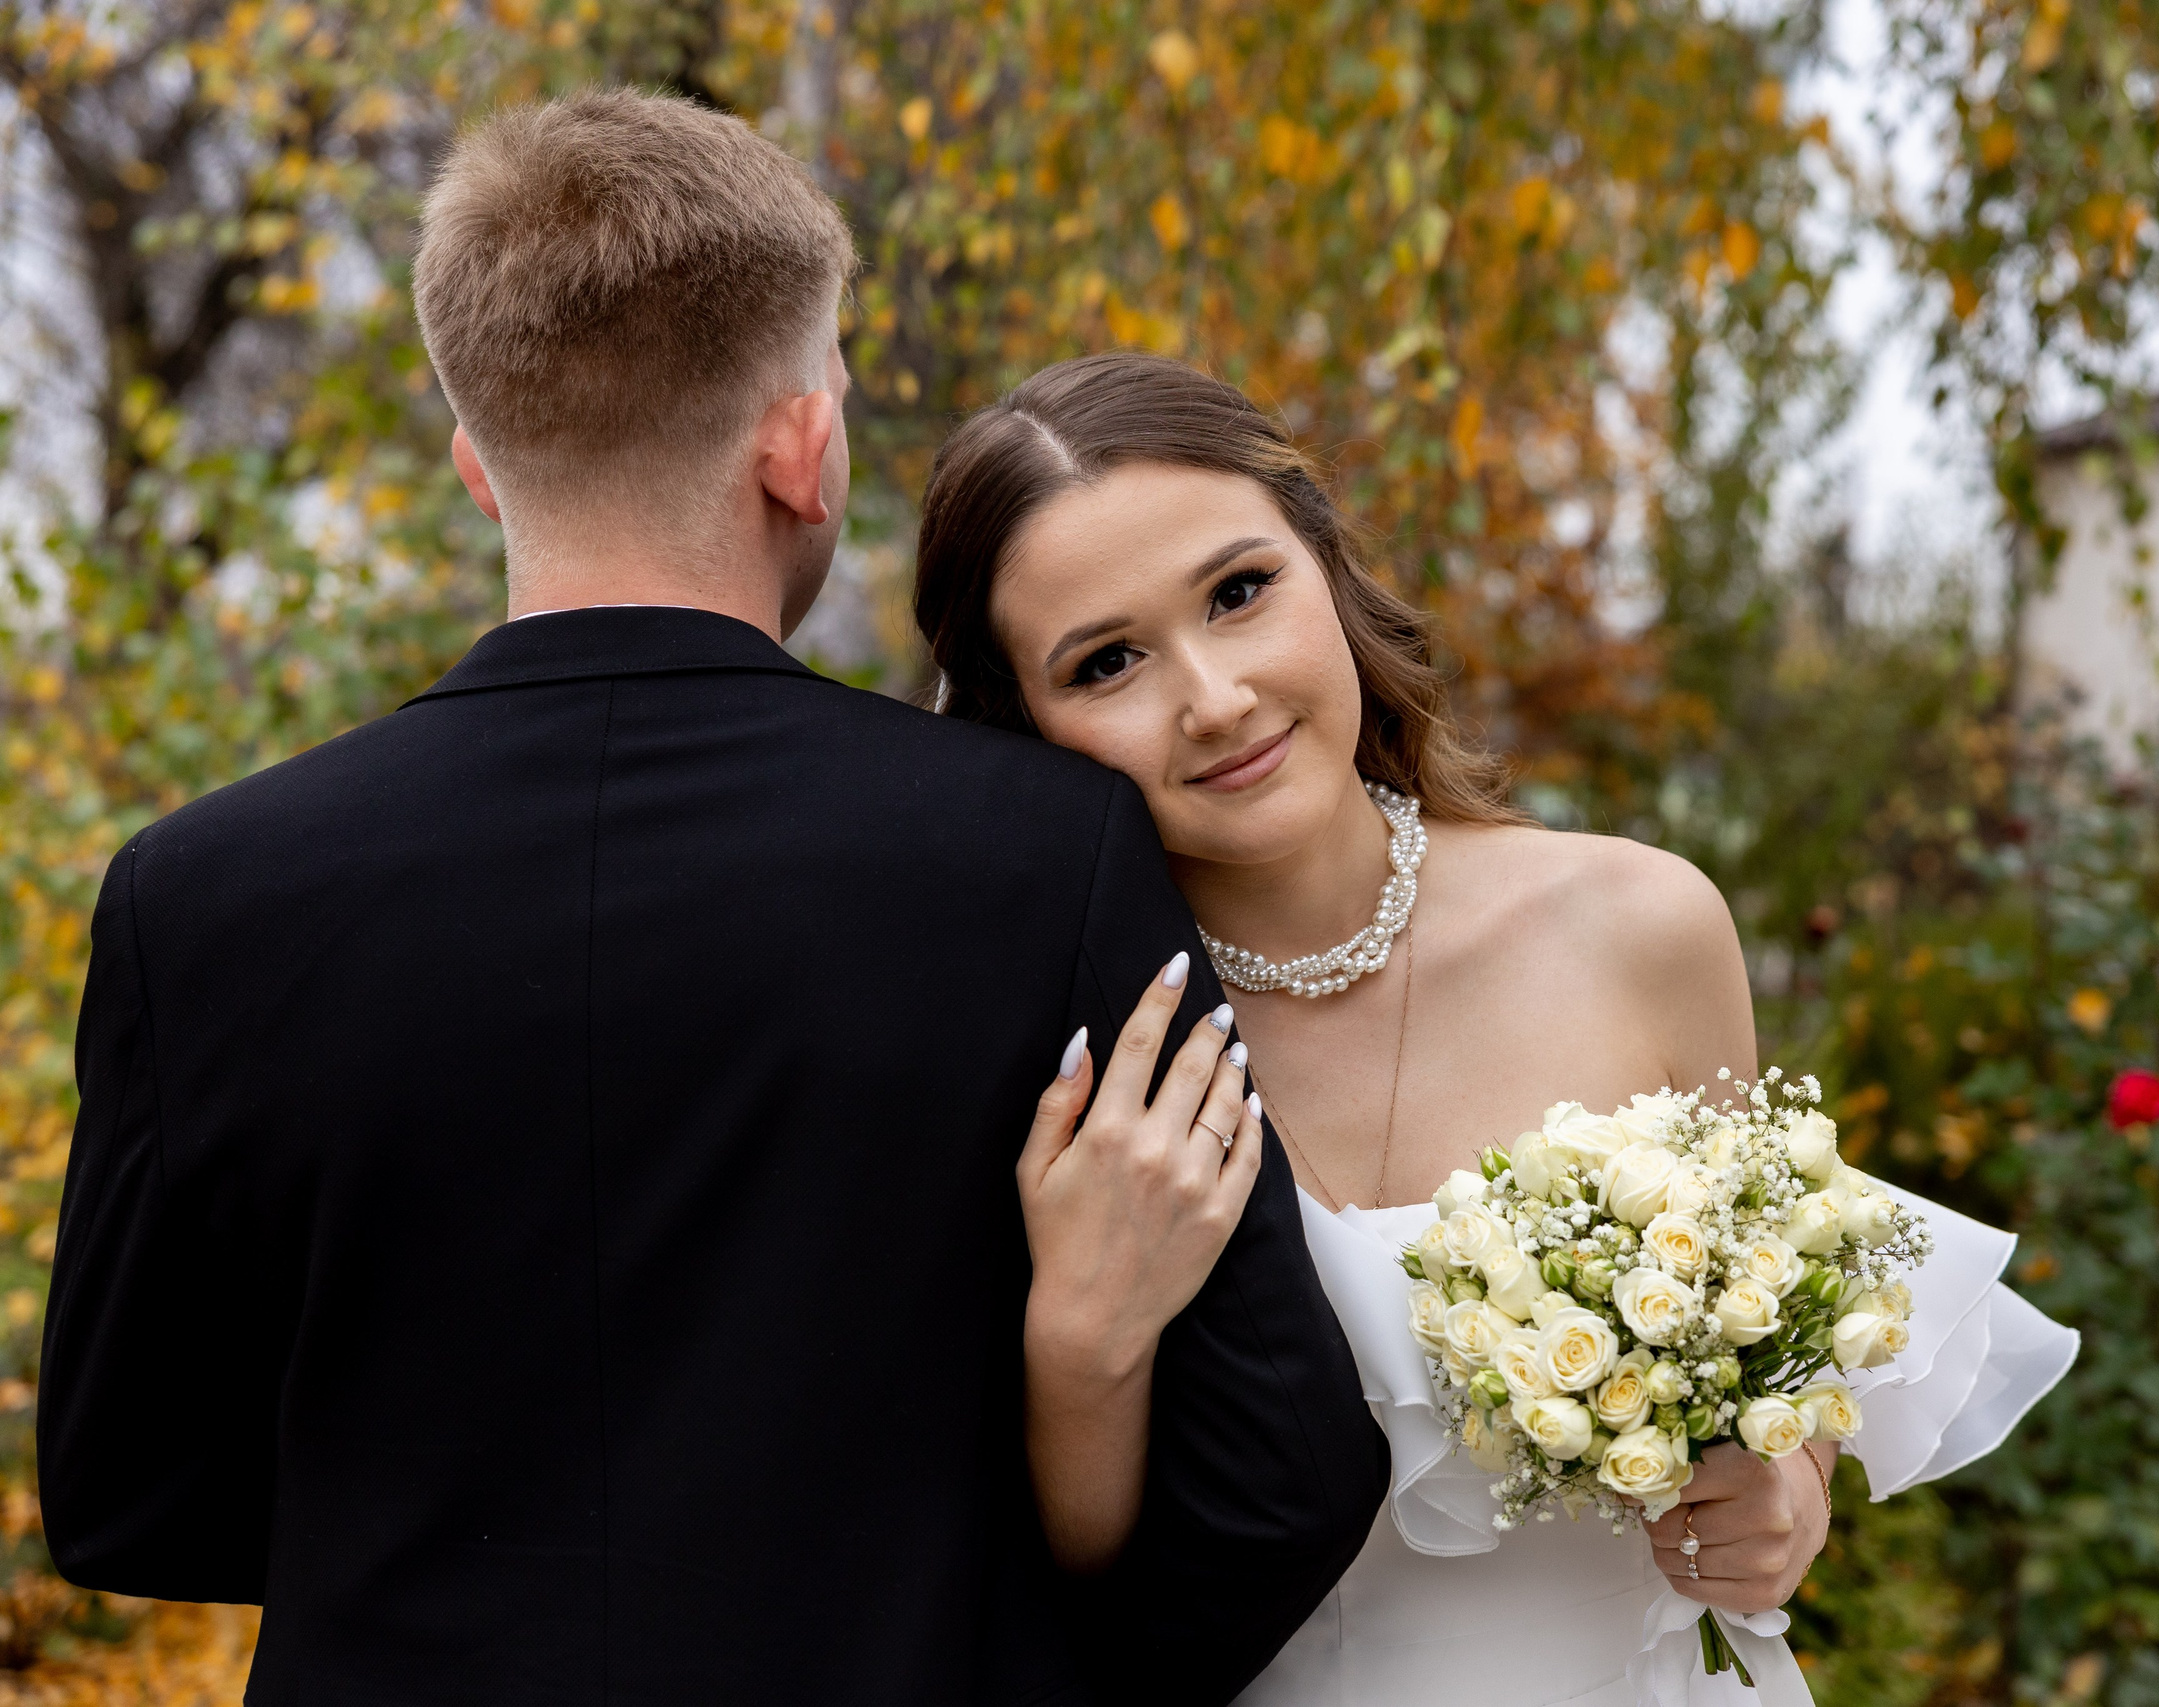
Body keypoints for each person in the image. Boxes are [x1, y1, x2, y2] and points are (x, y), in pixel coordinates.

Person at [38, 93, 1385, 1705]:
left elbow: (129, 1497)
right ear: (802, 451)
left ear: (481, 470)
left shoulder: (194, 900)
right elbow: (1279, 1480)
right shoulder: (1047, 851)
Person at [914, 350, 2082, 1705]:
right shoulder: (1062, 1063)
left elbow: (1778, 1375)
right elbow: (1083, 1585)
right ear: (1024, 724)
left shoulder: (1642, 927)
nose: (1214, 696)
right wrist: (1080, 1340)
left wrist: (1791, 1499)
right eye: (1107, 661)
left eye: (1239, 593)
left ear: (1327, 568)